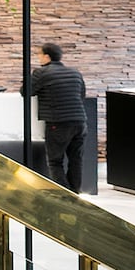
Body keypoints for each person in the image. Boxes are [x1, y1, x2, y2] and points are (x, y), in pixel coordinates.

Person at [25, 42, 88, 191]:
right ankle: (75, 194)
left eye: (39, 55)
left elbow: (26, 91)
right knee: (76, 160)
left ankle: (64, 196)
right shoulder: (75, 73)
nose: (38, 58)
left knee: (55, 161)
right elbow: (82, 95)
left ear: (46, 56)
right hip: (80, 121)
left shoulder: (42, 73)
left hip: (58, 122)